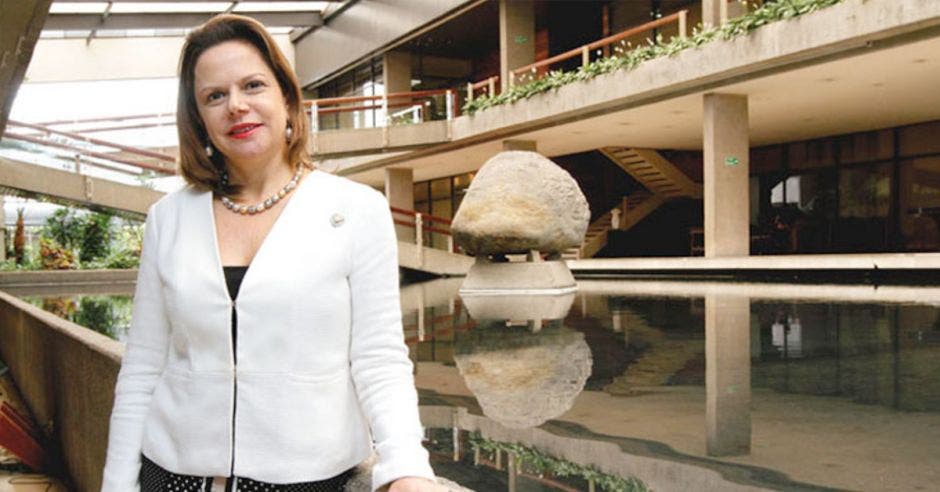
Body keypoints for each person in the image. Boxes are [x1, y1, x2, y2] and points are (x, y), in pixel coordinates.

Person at [102, 14, 439, 492]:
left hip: (307, 480)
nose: (236, 106)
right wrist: (116, 484)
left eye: (252, 85)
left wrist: (406, 467)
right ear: (198, 118)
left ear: (286, 96)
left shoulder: (356, 209)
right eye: (214, 96)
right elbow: (142, 367)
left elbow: (379, 358)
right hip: (171, 475)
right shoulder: (168, 218)